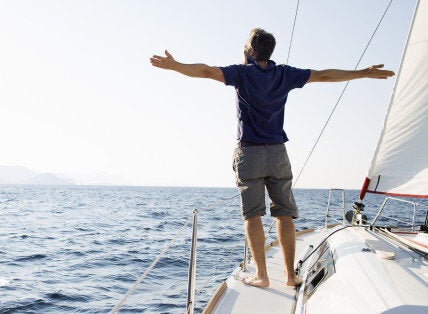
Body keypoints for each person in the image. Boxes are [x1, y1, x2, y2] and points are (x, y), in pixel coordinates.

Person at [150, 28, 394, 288]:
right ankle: (290, 276)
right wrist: (363, 73)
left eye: (245, 48)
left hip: (250, 153)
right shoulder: (284, 74)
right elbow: (324, 75)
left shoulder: (242, 73)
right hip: (278, 152)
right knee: (284, 214)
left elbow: (207, 71)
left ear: (251, 51)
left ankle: (262, 276)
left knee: (252, 216)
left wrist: (176, 66)